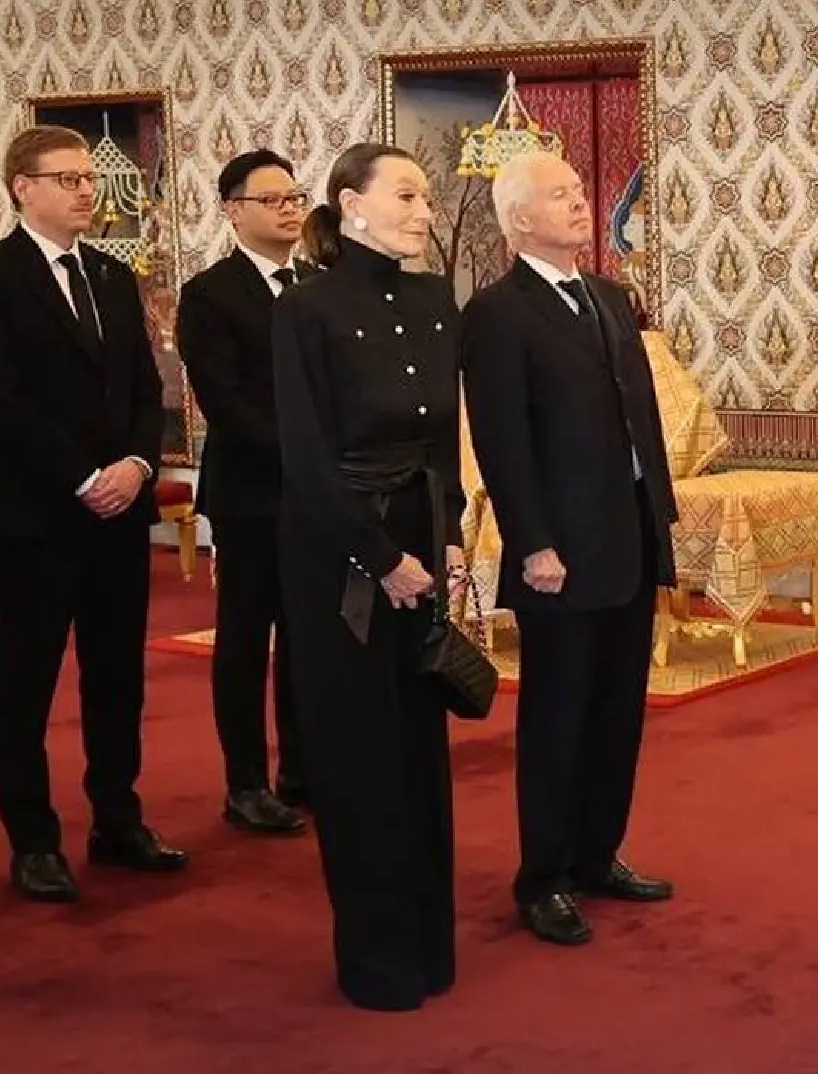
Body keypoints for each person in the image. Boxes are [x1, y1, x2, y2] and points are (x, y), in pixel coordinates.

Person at [0, 125, 188, 903]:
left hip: (118, 511)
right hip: (35, 514)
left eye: (91, 177)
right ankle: (33, 839)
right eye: (69, 178)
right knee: (26, 683)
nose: (88, 190)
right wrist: (84, 473)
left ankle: (117, 819)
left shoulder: (114, 278)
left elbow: (145, 388)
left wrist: (137, 464)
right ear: (23, 186)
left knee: (117, 679)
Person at [461, 151, 679, 947]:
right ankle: (543, 876)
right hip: (560, 548)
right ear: (520, 218)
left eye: (580, 191)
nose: (581, 203)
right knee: (557, 716)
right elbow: (502, 439)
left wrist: (659, 514)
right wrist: (533, 541)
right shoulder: (497, 313)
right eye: (561, 195)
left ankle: (598, 852)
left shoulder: (611, 299)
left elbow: (639, 417)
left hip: (626, 531)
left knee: (619, 709)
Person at [270, 142, 467, 1011]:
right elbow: (306, 457)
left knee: (418, 752)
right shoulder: (307, 309)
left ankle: (428, 944)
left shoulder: (433, 298)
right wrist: (381, 559)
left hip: (420, 536)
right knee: (359, 758)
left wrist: (450, 533)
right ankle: (377, 958)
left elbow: (440, 437)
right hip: (338, 554)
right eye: (409, 195)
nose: (425, 210)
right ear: (351, 205)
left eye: (426, 196)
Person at [176, 149, 312, 835]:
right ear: (233, 210)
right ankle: (245, 780)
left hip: (318, 497)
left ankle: (301, 766)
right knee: (244, 637)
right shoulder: (211, 294)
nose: (291, 209)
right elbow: (224, 401)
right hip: (252, 493)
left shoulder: (318, 283)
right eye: (273, 199)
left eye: (295, 196)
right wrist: (303, 459)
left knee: (305, 634)